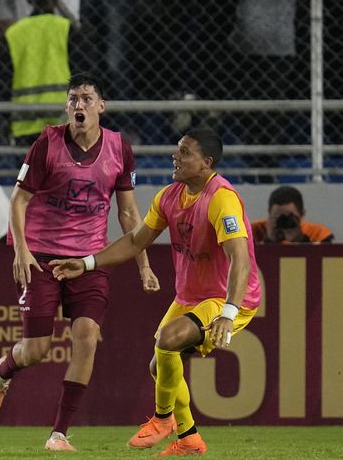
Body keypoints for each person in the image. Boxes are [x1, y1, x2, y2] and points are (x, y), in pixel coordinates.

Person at [50, 127, 262, 456]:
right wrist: (88, 263)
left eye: (185, 153)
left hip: (228, 298)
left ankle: (163, 420)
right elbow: (136, 241)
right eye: (177, 150)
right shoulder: (168, 196)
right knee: (158, 367)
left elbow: (240, 260)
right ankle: (189, 438)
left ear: (206, 162)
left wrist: (228, 313)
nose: (175, 157)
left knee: (168, 340)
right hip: (192, 296)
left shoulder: (222, 199)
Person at [0, 72, 160, 452]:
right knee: (37, 349)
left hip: (89, 258)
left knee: (86, 338)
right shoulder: (47, 144)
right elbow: (19, 200)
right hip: (40, 254)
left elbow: (129, 216)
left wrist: (143, 265)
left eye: (87, 98)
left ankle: (58, 433)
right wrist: (20, 250)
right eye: (73, 98)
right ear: (66, 107)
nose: (80, 104)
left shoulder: (119, 149)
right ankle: (3, 372)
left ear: (102, 106)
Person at [5, 0, 81, 143]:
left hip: (25, 123)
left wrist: (6, 118)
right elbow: (83, 75)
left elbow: (3, 81)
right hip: (64, 121)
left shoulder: (14, 33)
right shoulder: (66, 28)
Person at [251, 185, 335, 244]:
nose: (283, 220)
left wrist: (300, 240)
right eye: (277, 216)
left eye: (289, 216)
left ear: (301, 214)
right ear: (269, 213)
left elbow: (323, 261)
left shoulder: (316, 233)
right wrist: (269, 240)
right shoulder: (253, 231)